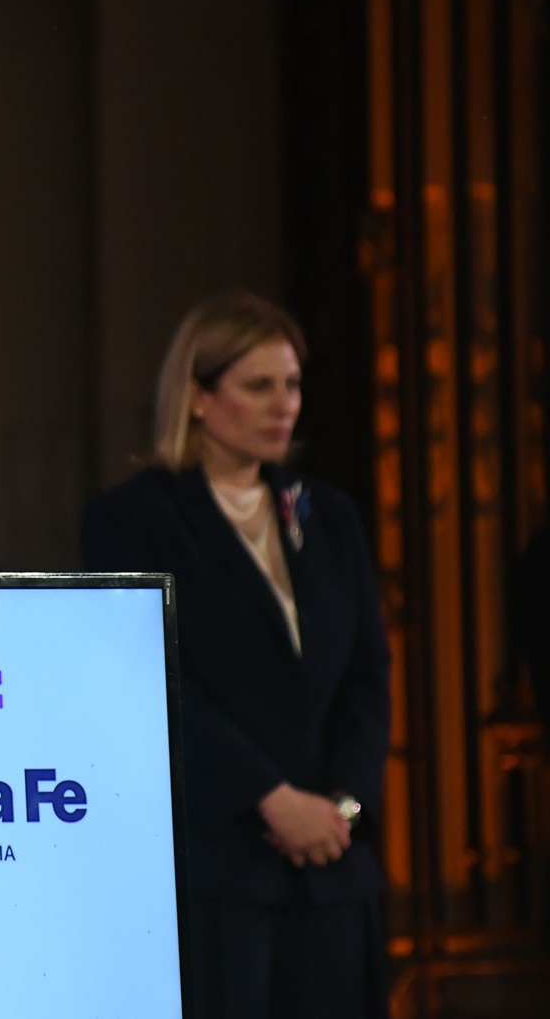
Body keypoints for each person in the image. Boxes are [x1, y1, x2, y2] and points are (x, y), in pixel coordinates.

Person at [81, 292, 391, 1018]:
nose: (283, 404)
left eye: (291, 384)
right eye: (258, 385)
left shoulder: (329, 513)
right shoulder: (134, 518)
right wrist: (270, 799)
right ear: (197, 396)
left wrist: (339, 804)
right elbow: (147, 681)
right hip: (220, 866)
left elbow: (365, 675)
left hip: (334, 866)